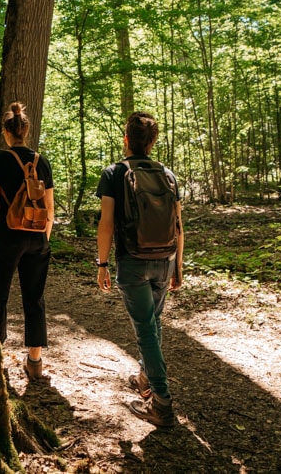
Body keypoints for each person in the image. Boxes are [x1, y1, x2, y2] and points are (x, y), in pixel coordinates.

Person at [96, 111, 183, 427]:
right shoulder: (168, 175)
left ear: (127, 140)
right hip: (165, 259)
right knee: (153, 322)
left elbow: (106, 223)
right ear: (153, 142)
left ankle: (162, 402)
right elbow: (178, 225)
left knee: (146, 329)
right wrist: (178, 267)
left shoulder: (114, 173)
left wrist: (102, 263)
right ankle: (146, 379)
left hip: (133, 261)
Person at [0, 102, 55, 379]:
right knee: (34, 297)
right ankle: (35, 362)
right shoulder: (42, 161)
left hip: (7, 236)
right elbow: (49, 209)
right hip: (38, 236)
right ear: (26, 130)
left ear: (6, 132)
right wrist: (43, 239)